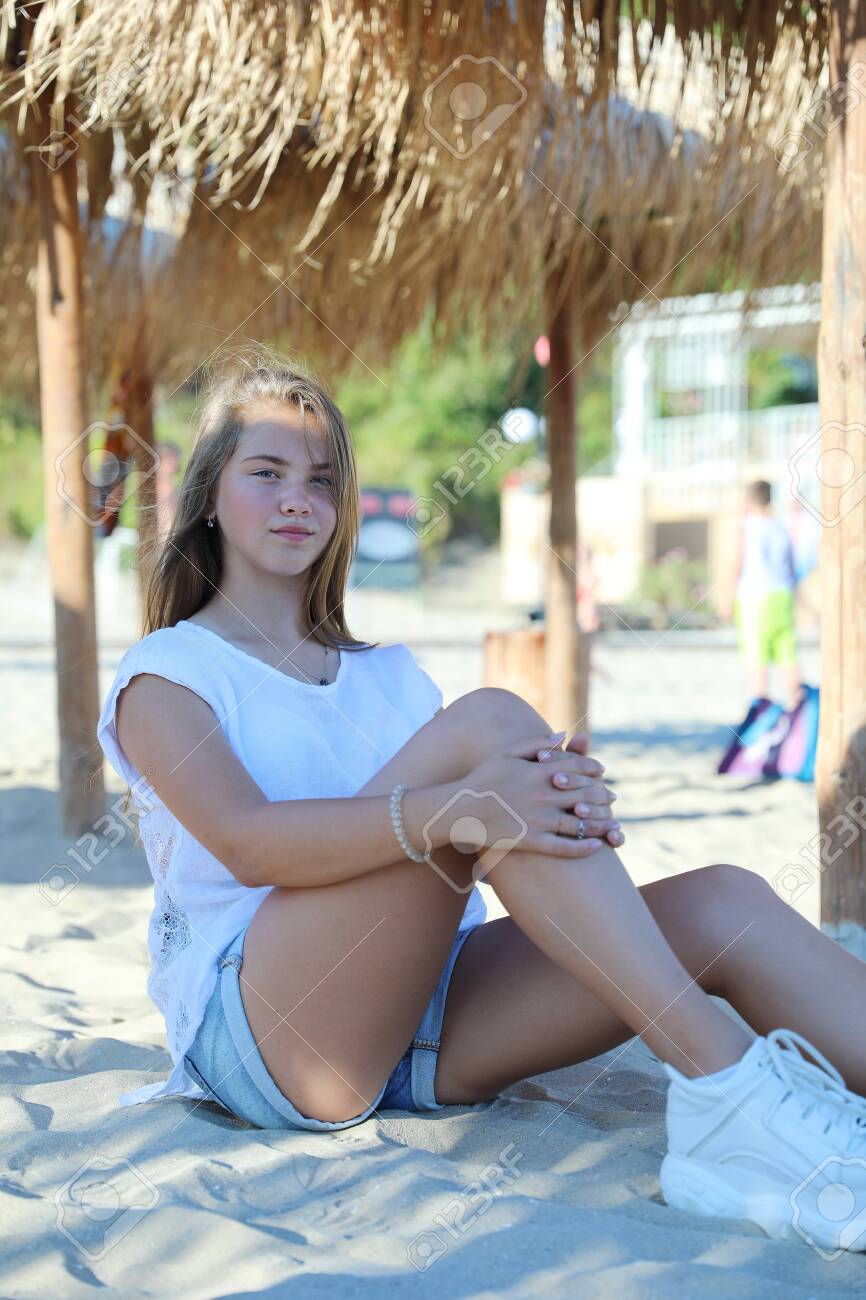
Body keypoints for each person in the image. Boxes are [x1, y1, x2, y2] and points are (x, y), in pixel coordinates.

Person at [97, 352, 866, 1255]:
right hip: (279, 1042)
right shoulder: (168, 675)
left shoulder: (389, 675)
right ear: (210, 495)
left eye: (322, 479)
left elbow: (473, 854)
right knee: (491, 725)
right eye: (265, 473)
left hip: (425, 1017)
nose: (296, 498)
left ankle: (763, 1101)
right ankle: (731, 1090)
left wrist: (550, 811)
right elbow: (249, 845)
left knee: (724, 903)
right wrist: (465, 801)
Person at [723, 480, 802, 711]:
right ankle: (799, 708)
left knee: (756, 661)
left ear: (749, 500)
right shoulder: (780, 528)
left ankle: (760, 714)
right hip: (783, 596)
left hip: (755, 598)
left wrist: (727, 598)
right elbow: (791, 567)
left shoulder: (746, 527)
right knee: (788, 657)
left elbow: (736, 563)